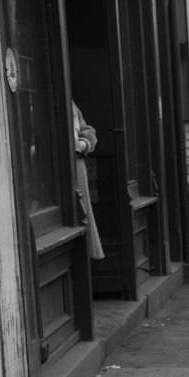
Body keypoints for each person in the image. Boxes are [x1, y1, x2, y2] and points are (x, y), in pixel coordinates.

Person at [72, 100, 104, 259]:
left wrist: (83, 144)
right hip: (55, 173)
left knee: (83, 213)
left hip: (77, 165)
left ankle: (86, 258)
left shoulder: (70, 103)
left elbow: (87, 130)